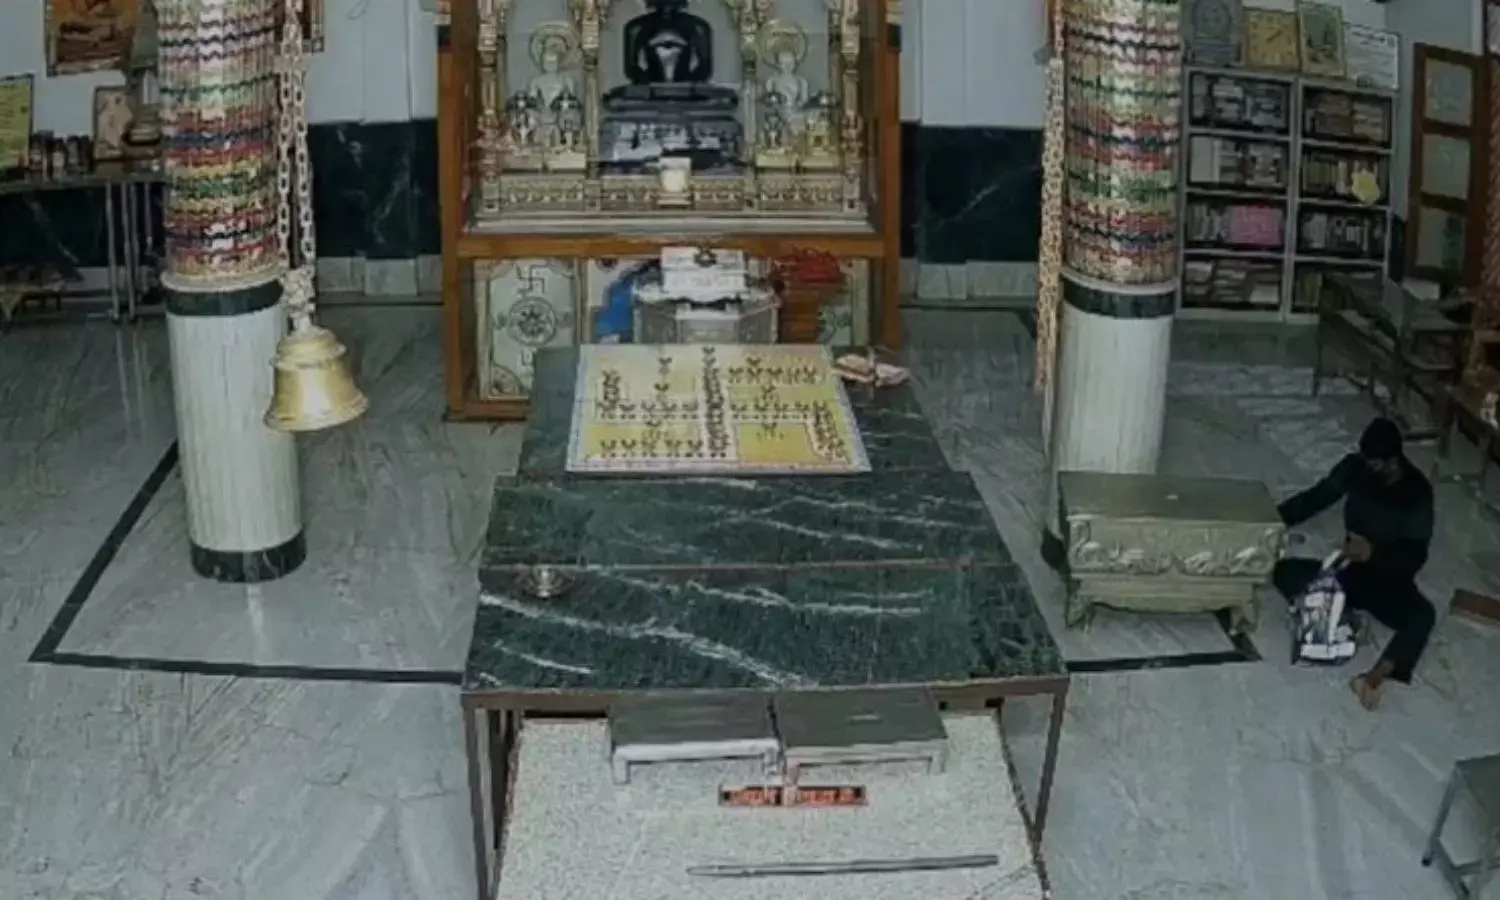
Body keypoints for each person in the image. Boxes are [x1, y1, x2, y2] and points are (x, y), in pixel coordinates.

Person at [1272, 417, 1436, 710]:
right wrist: (1272, 520)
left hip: (1389, 581)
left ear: (1393, 462)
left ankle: (1374, 678)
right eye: (1366, 460)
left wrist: (1374, 554)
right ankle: (1345, 619)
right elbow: (1317, 497)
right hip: (1350, 573)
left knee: (1422, 616)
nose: (1368, 467)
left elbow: (1415, 555)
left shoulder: (1417, 493)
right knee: (1284, 571)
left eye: (1374, 464)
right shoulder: (1357, 467)